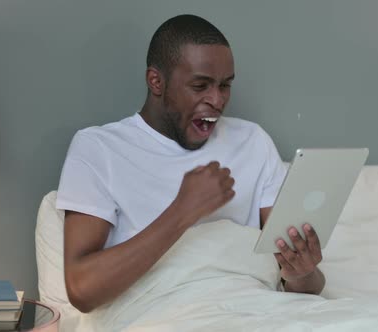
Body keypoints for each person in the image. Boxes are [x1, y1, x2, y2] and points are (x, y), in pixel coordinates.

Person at [56, 14, 325, 314]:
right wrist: (184, 209)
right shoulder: (99, 149)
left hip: (259, 312)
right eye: (200, 86)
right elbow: (81, 289)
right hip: (166, 315)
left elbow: (305, 287)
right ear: (156, 81)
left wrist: (302, 273)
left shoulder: (253, 141)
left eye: (225, 86)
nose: (217, 100)